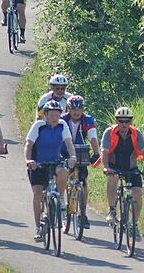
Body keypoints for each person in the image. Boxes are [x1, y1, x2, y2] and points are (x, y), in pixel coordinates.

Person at [24, 100, 76, 242]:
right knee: (38, 194)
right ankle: (38, 228)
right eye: (51, 115)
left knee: (63, 170)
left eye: (57, 115)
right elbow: (28, 145)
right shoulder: (38, 126)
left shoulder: (62, 125)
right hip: (38, 163)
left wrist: (72, 157)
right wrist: (29, 160)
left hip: (55, 161)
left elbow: (69, 143)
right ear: (45, 115)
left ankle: (60, 197)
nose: (54, 118)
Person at [99, 107, 144, 240]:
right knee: (113, 177)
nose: (124, 124)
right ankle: (112, 210)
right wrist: (106, 167)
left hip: (131, 168)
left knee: (138, 194)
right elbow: (104, 152)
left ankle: (134, 223)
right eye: (121, 121)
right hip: (114, 166)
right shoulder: (109, 132)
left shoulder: (136, 133)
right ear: (116, 120)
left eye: (127, 121)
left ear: (131, 121)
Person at [60, 95, 101, 229]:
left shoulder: (87, 119)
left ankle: (82, 213)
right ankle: (61, 200)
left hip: (81, 149)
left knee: (83, 181)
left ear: (83, 109)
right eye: (73, 109)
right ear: (68, 109)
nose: (76, 112)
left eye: (79, 109)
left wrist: (96, 153)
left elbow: (92, 137)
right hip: (63, 149)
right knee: (63, 173)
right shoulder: (62, 119)